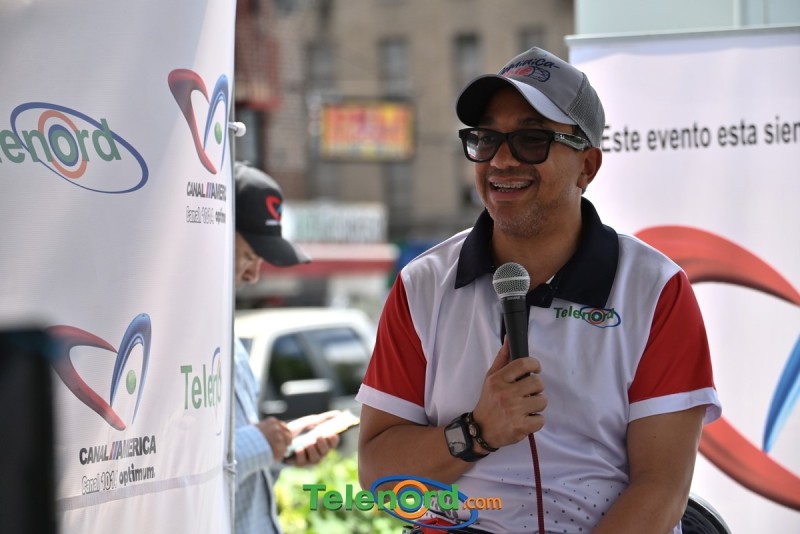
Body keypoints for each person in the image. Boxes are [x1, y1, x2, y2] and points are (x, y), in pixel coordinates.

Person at [356, 47, 722, 533]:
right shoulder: (421, 285)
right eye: (486, 138)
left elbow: (661, 487)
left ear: (587, 166)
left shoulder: (655, 290)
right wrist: (477, 432)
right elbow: (378, 475)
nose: (501, 160)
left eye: (531, 139)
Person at [232, 161, 340, 534]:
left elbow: (237, 482)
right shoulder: (174, 342)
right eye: (249, 256)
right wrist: (260, 444)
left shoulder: (229, 344)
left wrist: (282, 448)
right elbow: (169, 474)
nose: (253, 275)